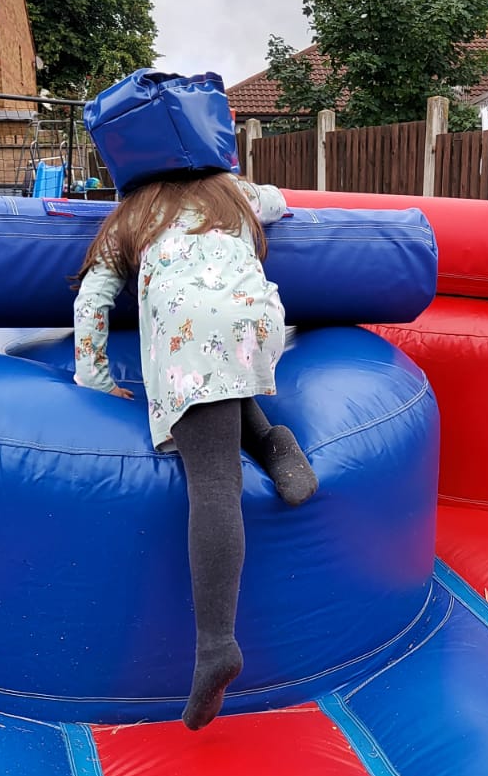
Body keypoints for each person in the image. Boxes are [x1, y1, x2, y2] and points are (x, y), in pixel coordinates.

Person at [72, 170, 317, 732]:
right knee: (221, 389)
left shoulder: (132, 213)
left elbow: (93, 299)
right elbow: (279, 200)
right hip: (255, 320)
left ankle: (216, 646)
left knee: (213, 480)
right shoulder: (230, 190)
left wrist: (95, 377)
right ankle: (275, 443)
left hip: (190, 329)